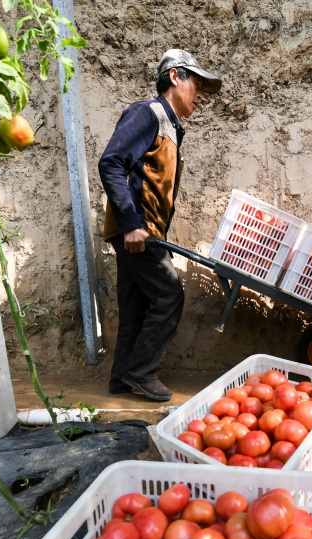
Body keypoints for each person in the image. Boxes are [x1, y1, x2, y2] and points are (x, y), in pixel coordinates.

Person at [98, 49, 222, 400]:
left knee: (137, 306)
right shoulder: (147, 113)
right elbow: (111, 163)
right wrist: (132, 223)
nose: (200, 95)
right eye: (196, 84)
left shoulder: (169, 126)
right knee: (169, 295)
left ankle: (122, 379)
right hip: (138, 232)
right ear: (174, 77)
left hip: (142, 231)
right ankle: (141, 372)